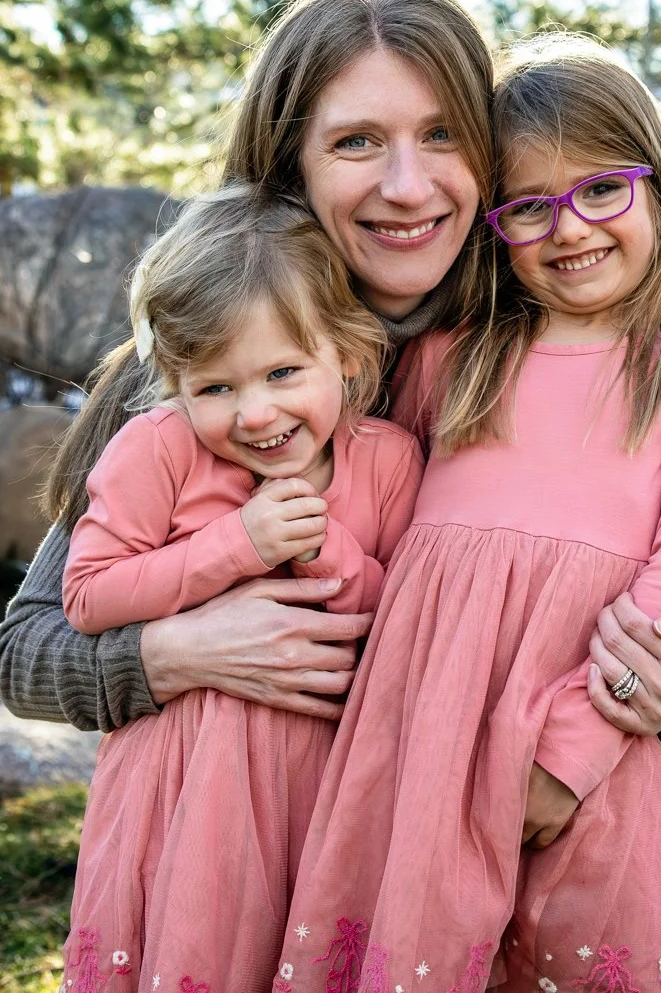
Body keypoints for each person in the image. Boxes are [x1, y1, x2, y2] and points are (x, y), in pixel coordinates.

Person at [0, 0, 661, 751]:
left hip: (437, 821)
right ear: (291, 165)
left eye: (443, 135)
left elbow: (589, 612)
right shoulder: (205, 357)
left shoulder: (545, 359)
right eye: (356, 142)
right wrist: (180, 652)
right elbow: (24, 655)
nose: (407, 188)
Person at [279, 38, 661, 991]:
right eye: (531, 205)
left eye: (602, 188)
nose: (568, 226)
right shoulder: (453, 358)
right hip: (416, 746)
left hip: (580, 752)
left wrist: (568, 756)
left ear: (659, 183)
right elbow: (362, 491)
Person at [54, 189, 423, 991]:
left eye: (284, 372)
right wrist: (233, 545)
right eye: (214, 387)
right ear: (176, 381)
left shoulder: (389, 462)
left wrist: (330, 549)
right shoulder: (156, 449)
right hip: (187, 782)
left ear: (350, 354)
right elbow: (86, 593)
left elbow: (400, 622)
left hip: (326, 780)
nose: (255, 413)